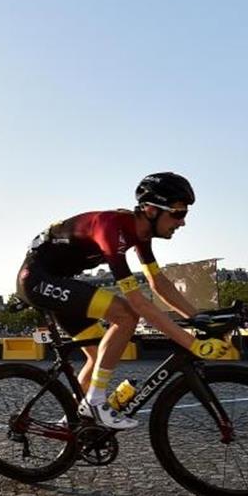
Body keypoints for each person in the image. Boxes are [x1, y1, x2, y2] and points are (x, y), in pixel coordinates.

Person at [15, 172, 233, 430]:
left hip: (58, 281)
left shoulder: (140, 234)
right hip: (37, 280)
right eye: (178, 213)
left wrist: (198, 319)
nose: (182, 222)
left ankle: (73, 424)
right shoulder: (112, 228)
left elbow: (158, 282)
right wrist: (192, 343)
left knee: (98, 357)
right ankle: (94, 403)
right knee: (126, 314)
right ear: (151, 210)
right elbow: (139, 304)